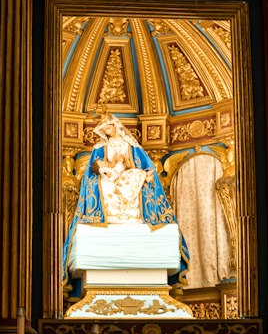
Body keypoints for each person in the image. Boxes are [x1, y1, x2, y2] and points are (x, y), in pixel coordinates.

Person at [62, 113, 187, 275]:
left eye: (109, 127)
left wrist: (127, 164)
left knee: (135, 176)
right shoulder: (100, 148)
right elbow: (97, 168)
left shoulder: (129, 145)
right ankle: (110, 216)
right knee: (106, 187)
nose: (107, 131)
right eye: (104, 130)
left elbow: (133, 163)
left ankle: (135, 215)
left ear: (115, 126)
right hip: (110, 174)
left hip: (125, 172)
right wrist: (110, 166)